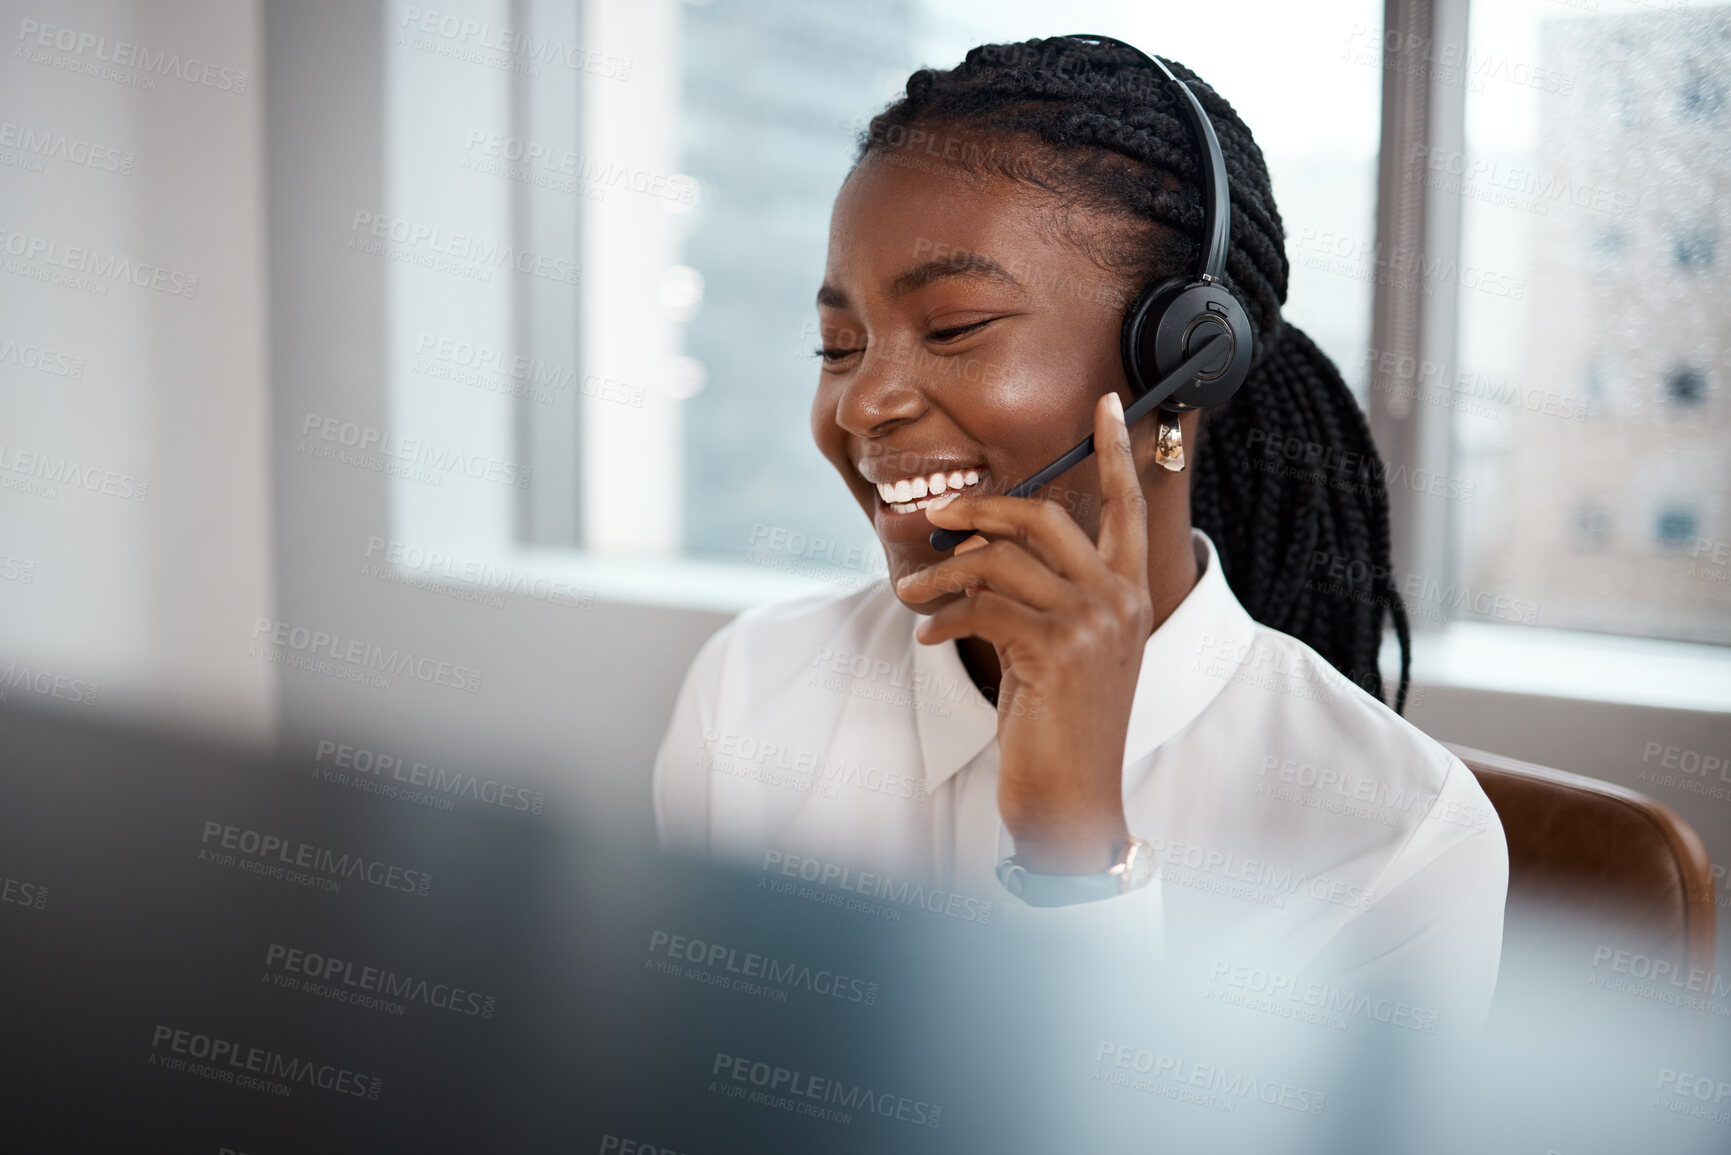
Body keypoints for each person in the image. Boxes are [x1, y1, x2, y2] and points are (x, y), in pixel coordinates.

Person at [654, 36, 1506, 1028]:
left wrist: (1077, 858)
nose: (863, 404)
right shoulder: (753, 688)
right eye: (838, 346)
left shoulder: (1396, 838)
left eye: (954, 327)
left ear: (1186, 368)